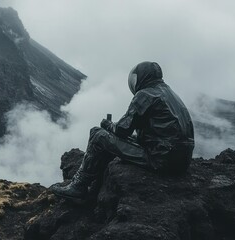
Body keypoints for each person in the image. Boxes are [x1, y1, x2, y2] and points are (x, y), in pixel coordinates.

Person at [51, 61, 195, 201]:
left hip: (160, 159)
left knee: (97, 134)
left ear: (142, 77)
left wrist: (108, 125)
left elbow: (122, 130)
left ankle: (78, 186)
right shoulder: (170, 93)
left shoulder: (145, 94)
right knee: (126, 138)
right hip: (181, 161)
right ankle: (95, 184)